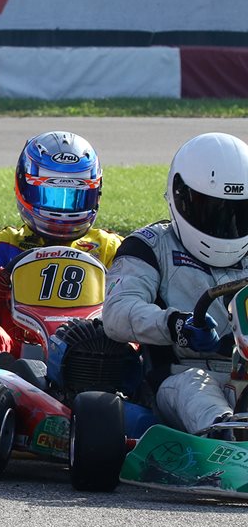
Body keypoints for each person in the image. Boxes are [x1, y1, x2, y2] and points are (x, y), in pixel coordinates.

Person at [103, 132, 248, 435]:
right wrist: (175, 325)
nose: (226, 225)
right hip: (179, 376)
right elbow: (117, 312)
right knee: (195, 386)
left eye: (238, 213)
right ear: (180, 196)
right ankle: (226, 435)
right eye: (212, 209)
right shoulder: (150, 246)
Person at [0, 131, 122, 362]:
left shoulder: (108, 247)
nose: (62, 211)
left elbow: (139, 292)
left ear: (95, 194)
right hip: (16, 356)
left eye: (74, 198)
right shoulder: (7, 242)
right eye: (51, 196)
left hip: (91, 353)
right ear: (24, 188)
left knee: (130, 339)